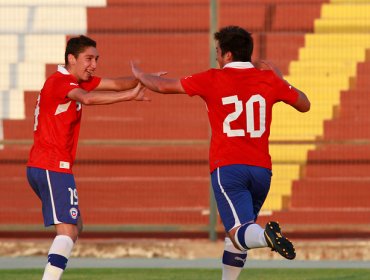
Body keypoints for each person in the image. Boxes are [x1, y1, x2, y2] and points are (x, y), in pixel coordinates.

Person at [131, 26, 310, 280]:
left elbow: (163, 86)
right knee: (237, 235)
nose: (216, 57)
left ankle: (266, 236)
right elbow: (305, 104)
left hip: (228, 167)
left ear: (227, 55)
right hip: (261, 171)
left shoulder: (212, 78)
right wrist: (282, 80)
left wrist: (139, 74)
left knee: (240, 232)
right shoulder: (269, 79)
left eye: (217, 51)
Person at [26, 35, 149, 280]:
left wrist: (144, 79)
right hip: (51, 164)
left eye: (96, 59)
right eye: (89, 59)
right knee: (67, 231)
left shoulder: (74, 79)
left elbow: (115, 83)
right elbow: (88, 99)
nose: (93, 64)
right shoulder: (60, 82)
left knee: (74, 228)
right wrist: (130, 96)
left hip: (49, 165)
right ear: (71, 58)